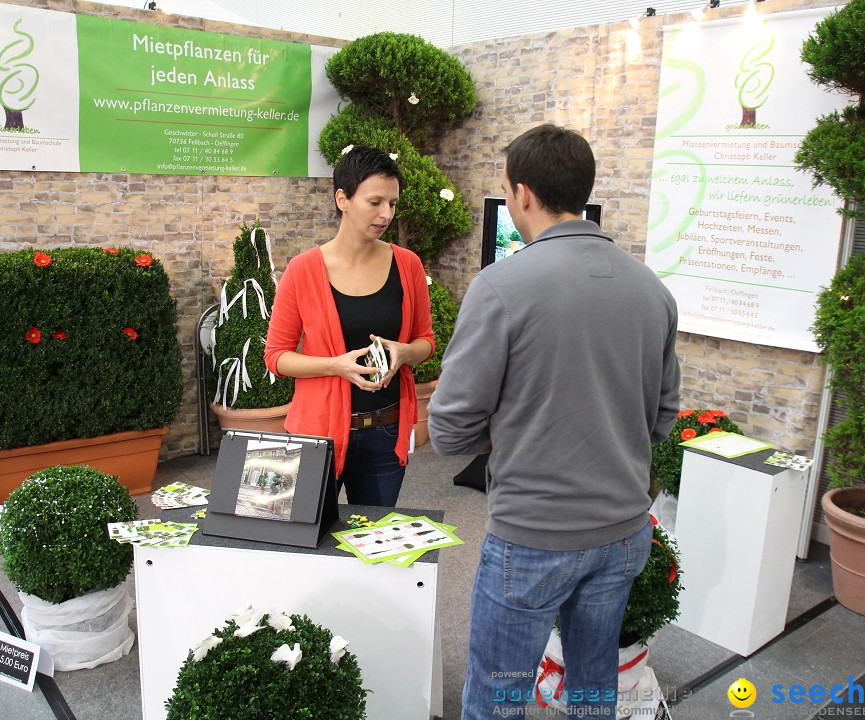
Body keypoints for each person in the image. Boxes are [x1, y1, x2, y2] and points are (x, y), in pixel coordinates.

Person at [427, 124, 680, 718]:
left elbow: (450, 429)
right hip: (622, 532)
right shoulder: (652, 290)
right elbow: (665, 413)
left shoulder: (500, 286)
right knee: (594, 690)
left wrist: (508, 429)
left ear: (521, 195)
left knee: (497, 694)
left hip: (532, 538)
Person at [265, 146, 434, 507]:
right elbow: (276, 357)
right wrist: (335, 365)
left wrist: (404, 353)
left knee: (372, 550)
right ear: (343, 198)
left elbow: (426, 342)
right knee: (308, 542)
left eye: (392, 203)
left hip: (385, 431)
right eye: (374, 202)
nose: (386, 213)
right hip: (318, 432)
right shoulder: (303, 269)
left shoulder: (408, 266)